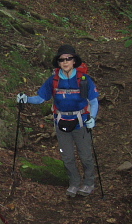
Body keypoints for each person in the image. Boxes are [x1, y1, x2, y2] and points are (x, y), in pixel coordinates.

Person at [16, 44, 100, 197]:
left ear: (74, 61)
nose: (65, 62)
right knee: (67, 157)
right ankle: (74, 183)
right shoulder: (53, 81)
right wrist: (26, 99)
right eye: (62, 60)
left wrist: (92, 118)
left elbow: (93, 101)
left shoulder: (84, 79)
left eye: (68, 59)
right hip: (61, 122)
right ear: (59, 63)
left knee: (85, 155)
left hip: (81, 122)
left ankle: (89, 183)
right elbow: (41, 98)